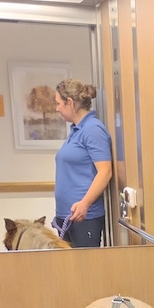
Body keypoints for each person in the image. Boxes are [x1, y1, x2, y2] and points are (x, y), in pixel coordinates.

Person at [53, 79, 112, 248]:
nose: (57, 108)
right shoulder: (76, 129)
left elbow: (105, 171)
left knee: (86, 272)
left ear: (70, 103)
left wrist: (85, 203)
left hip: (84, 217)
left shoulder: (93, 129)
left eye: (58, 103)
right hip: (67, 216)